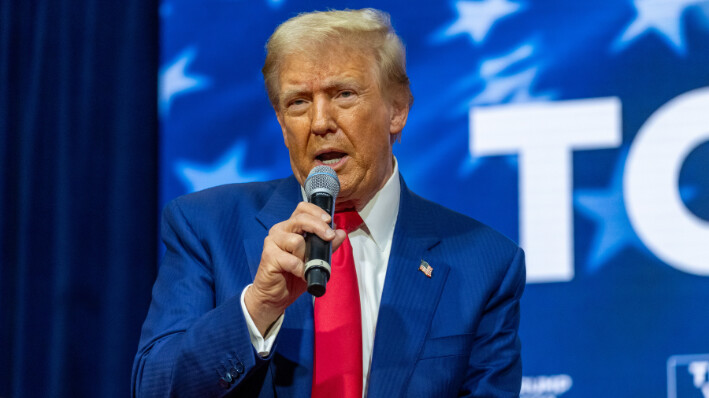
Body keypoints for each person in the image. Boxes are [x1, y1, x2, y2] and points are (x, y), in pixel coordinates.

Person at [132, 8, 525, 398]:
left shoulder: (484, 263)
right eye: (299, 102)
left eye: (344, 94)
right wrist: (257, 308)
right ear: (284, 126)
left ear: (398, 110)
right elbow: (152, 389)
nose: (320, 122)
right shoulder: (207, 228)